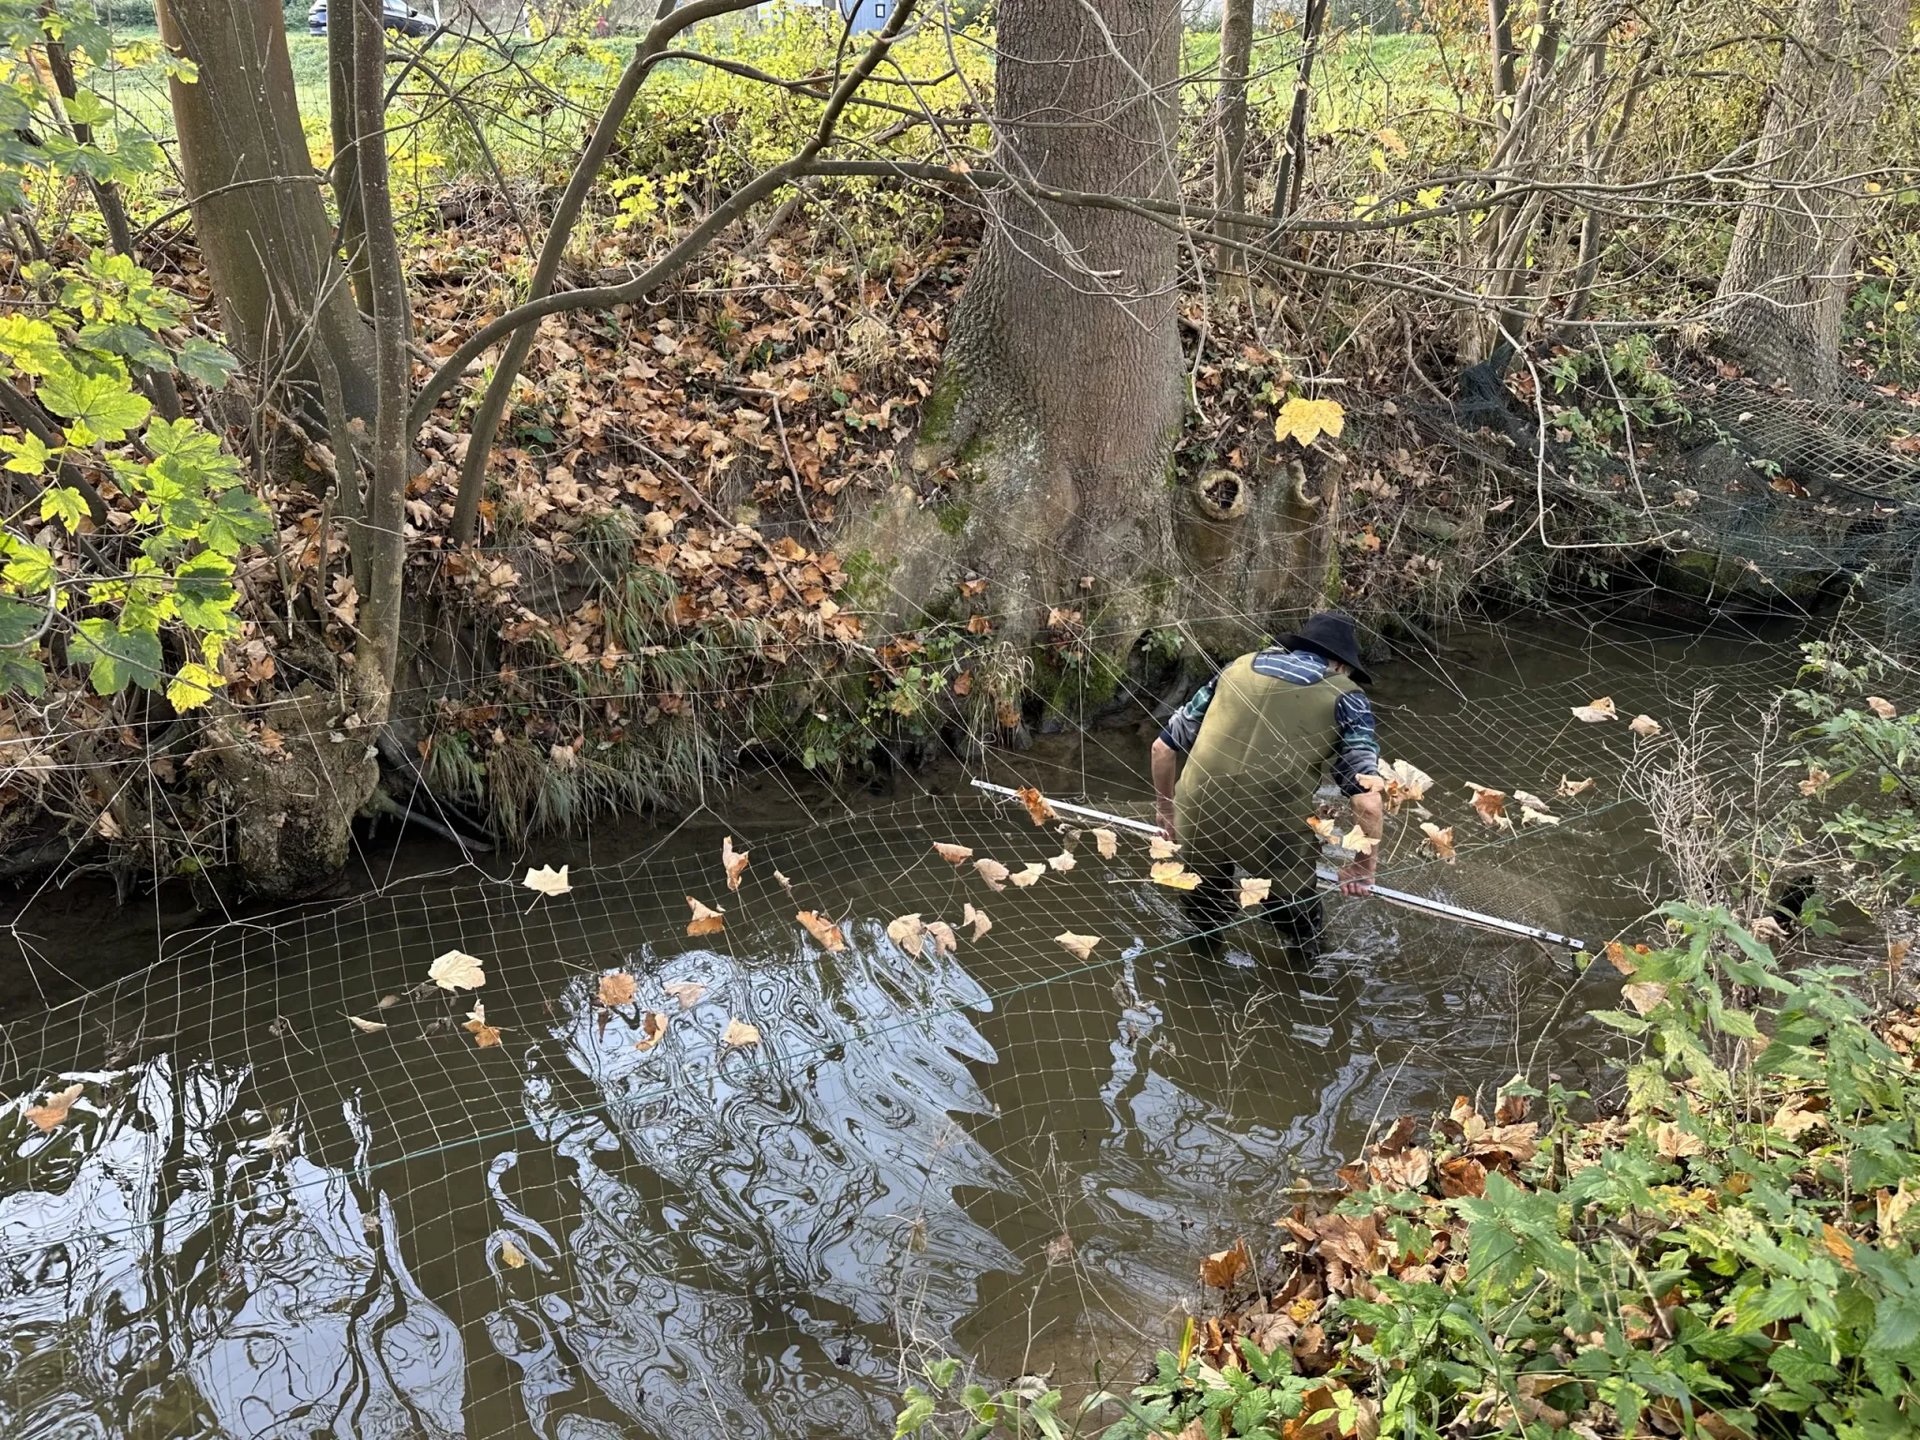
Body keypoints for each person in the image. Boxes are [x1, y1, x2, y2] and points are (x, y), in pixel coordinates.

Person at [1149, 610, 1383, 954]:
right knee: (1303, 935)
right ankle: (1298, 984)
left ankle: (1205, 976)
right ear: (1338, 665)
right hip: (1273, 833)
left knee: (1203, 923)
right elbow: (1368, 802)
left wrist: (1166, 811)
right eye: (1347, 671)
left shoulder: (1235, 668)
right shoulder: (1348, 697)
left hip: (1197, 817)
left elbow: (1162, 749)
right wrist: (1363, 867)